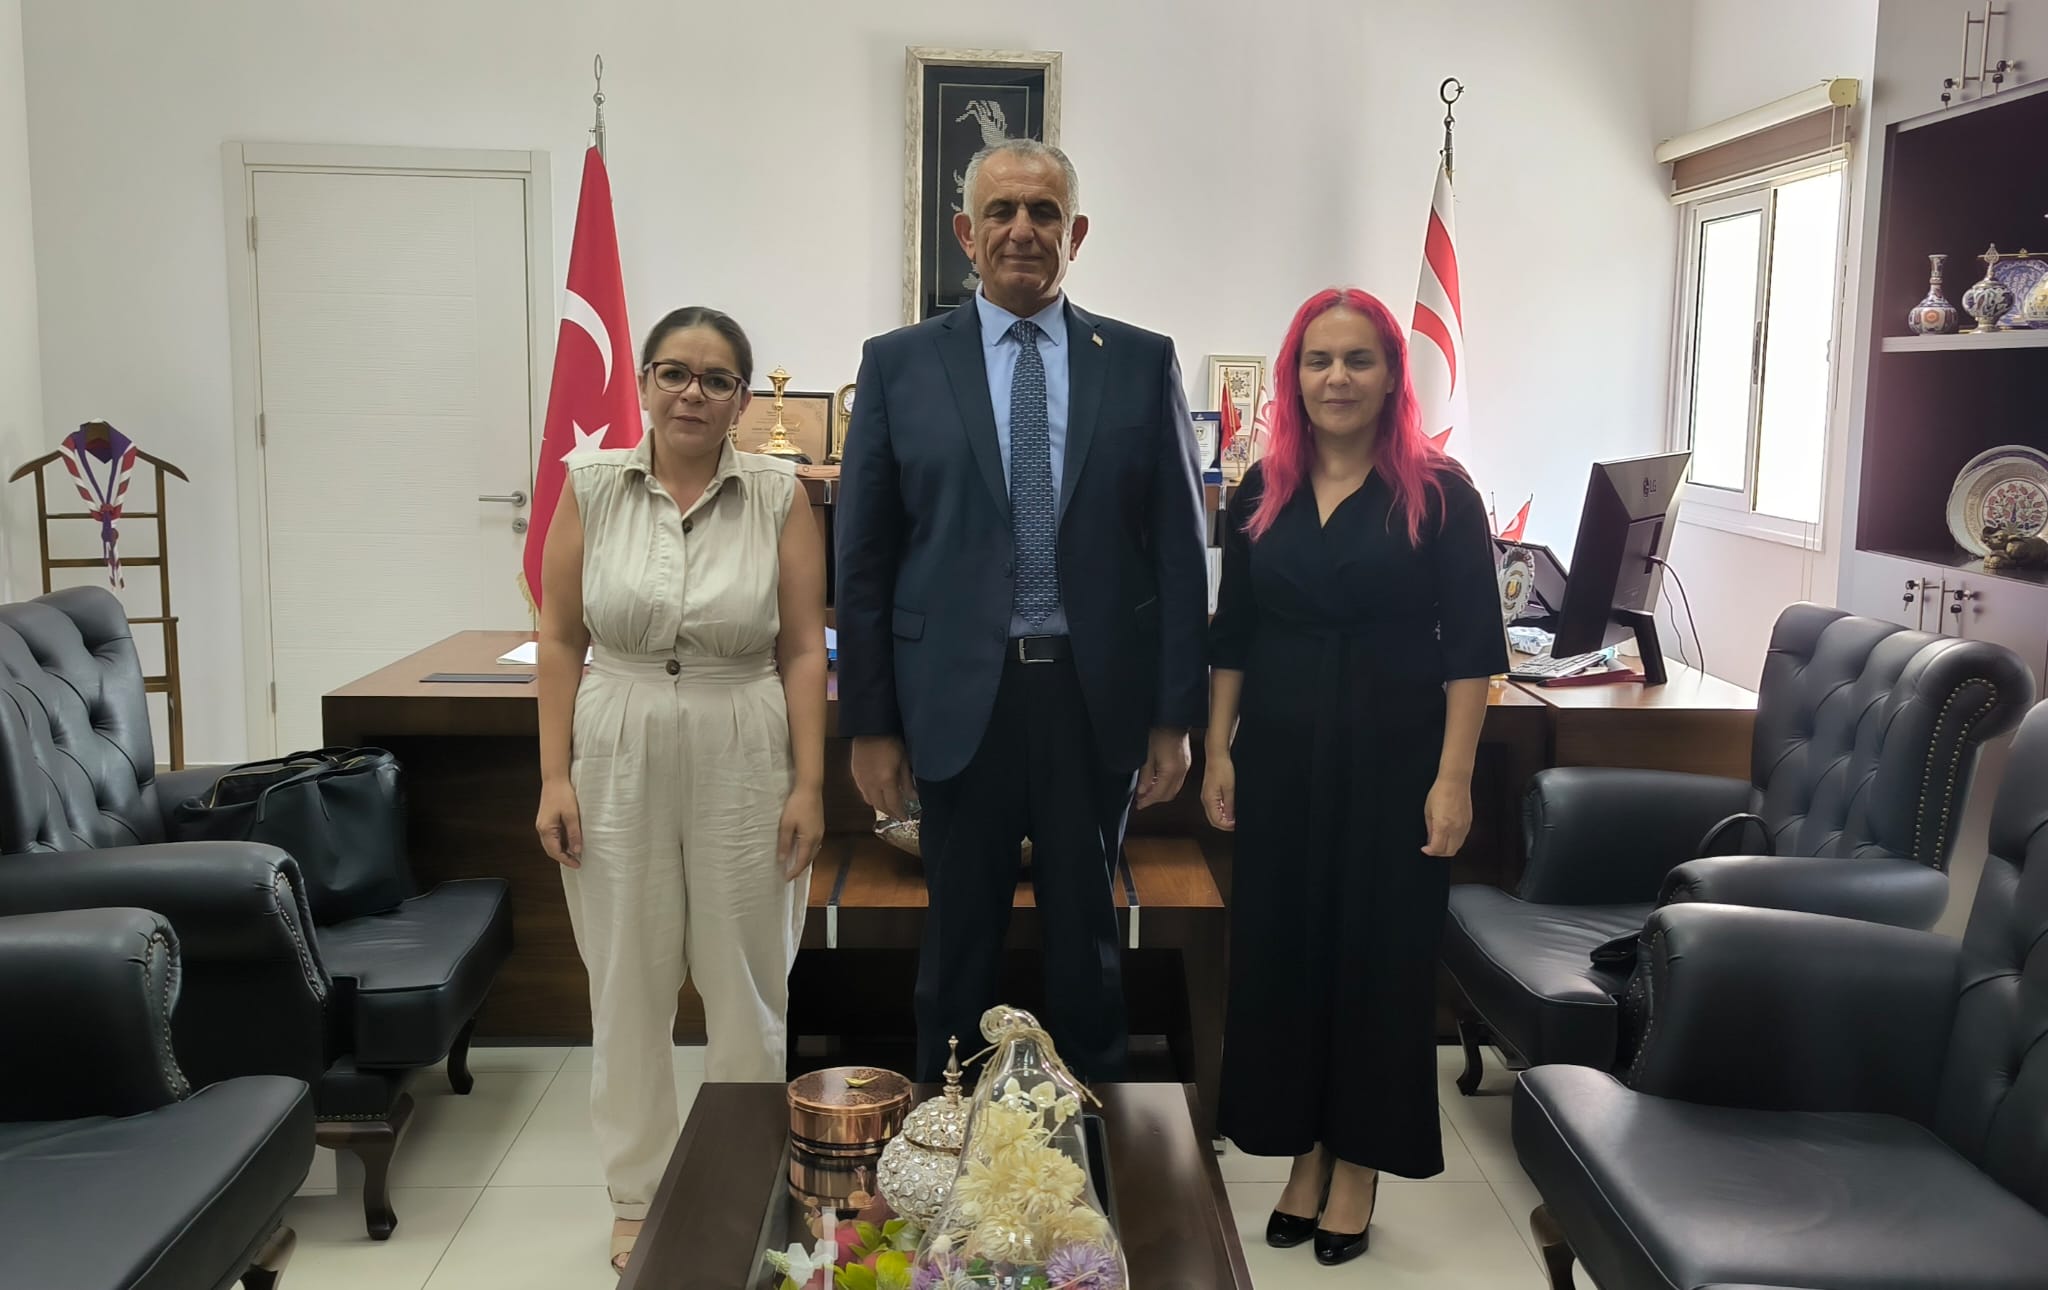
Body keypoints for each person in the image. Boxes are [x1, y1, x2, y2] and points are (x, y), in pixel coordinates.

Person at [836, 140, 1209, 1083]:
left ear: (1075, 233)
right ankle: (945, 1134)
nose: (1021, 230)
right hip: (957, 699)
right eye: (1000, 211)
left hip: (1093, 698)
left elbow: (1178, 549)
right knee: (957, 946)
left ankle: (1091, 1139)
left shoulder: (1140, 361)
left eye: (1043, 212)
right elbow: (865, 561)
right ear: (965, 232)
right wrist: (870, 725)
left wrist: (1174, 715)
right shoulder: (898, 365)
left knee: (1088, 945)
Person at [1205, 288, 1506, 1267]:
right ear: (1293, 377)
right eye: (1318, 360)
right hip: (1280, 757)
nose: (1336, 378)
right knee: (1285, 954)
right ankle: (1304, 1149)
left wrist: (1454, 779)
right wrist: (1218, 748)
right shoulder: (1261, 488)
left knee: (1377, 960)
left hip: (1396, 762)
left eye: (1358, 360)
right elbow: (1233, 634)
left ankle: (1359, 1163)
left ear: (1389, 375)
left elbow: (1472, 650)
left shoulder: (1440, 492)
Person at [533, 307, 827, 1273]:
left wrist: (810, 784)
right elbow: (561, 638)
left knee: (746, 985)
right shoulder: (592, 486)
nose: (692, 393)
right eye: (674, 373)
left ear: (742, 399)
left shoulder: (780, 494)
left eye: (715, 379)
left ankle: (743, 1185)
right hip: (615, 738)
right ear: (646, 383)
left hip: (743, 735)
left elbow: (801, 648)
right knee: (627, 982)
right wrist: (553, 776)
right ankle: (639, 1194)